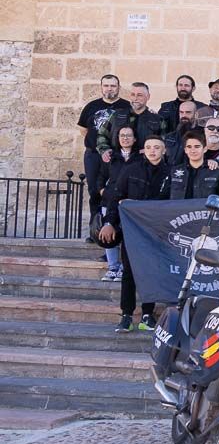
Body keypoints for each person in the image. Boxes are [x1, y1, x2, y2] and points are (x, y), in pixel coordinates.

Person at [97, 134, 171, 332]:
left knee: (152, 272)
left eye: (157, 147)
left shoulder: (171, 173)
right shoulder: (131, 170)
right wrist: (109, 222)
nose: (153, 151)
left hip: (157, 232)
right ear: (144, 150)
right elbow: (116, 197)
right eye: (149, 147)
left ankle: (148, 315)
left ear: (164, 151)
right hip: (132, 231)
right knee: (129, 273)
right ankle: (126, 315)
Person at [79, 74, 132, 220]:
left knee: (119, 189)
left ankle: (115, 224)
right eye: (106, 85)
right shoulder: (91, 106)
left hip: (118, 155)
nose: (109, 89)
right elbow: (83, 129)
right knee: (94, 190)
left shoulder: (127, 107)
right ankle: (95, 226)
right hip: (94, 155)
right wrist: (98, 145)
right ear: (101, 87)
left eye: (113, 86)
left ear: (119, 88)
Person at [97, 125, 140, 281]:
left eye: (129, 135)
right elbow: (100, 178)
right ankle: (113, 266)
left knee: (127, 236)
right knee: (110, 234)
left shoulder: (140, 157)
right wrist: (104, 192)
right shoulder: (111, 157)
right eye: (122, 135)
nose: (125, 138)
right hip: (110, 201)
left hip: (129, 203)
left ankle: (124, 267)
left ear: (134, 139)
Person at [96, 81, 165, 160]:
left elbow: (163, 143)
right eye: (133, 95)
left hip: (145, 163)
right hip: (117, 161)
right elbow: (102, 134)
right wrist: (104, 150)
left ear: (148, 97)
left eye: (139, 95)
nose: (135, 98)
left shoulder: (157, 120)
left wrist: (150, 151)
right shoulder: (116, 115)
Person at [171, 129, 219, 199]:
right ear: (185, 150)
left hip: (205, 210)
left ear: (205, 149)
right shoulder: (174, 171)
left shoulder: (216, 172)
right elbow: (163, 200)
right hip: (179, 209)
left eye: (197, 146)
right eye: (189, 147)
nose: (193, 150)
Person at [164, 100, 198, 166]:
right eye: (181, 112)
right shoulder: (169, 137)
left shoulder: (202, 136)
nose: (184, 115)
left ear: (196, 114)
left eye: (188, 112)